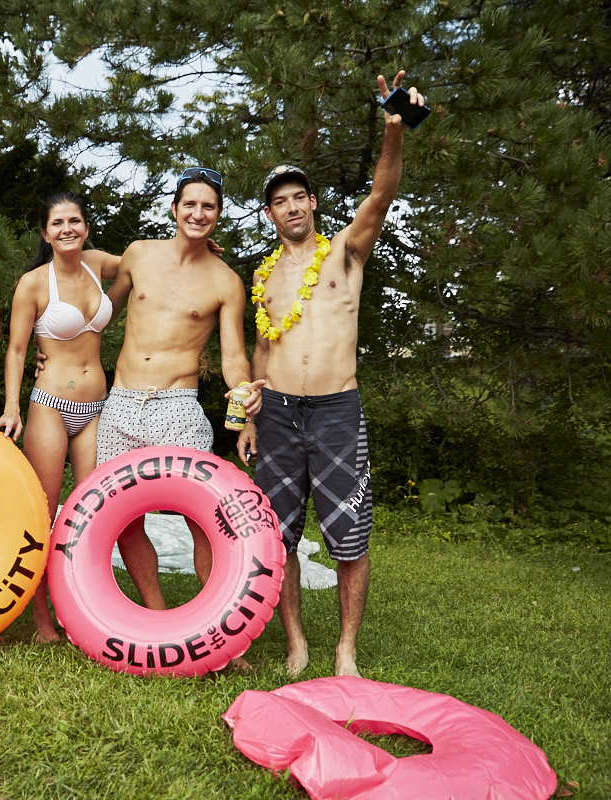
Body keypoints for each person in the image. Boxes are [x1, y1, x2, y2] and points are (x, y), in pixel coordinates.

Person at [239, 71, 427, 678]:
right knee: (280, 531)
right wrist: (250, 413)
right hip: (279, 414)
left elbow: (382, 190)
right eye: (279, 201)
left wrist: (393, 131)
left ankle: (347, 648)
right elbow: (263, 348)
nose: (291, 207)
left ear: (313, 203)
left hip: (337, 410)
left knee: (350, 532)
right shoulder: (265, 277)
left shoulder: (345, 251)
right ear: (270, 214)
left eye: (300, 197)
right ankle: (297, 642)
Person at [99, 168, 264, 618]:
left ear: (218, 215)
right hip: (121, 403)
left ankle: (217, 622)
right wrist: (53, 350)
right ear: (174, 209)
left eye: (207, 206)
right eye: (189, 204)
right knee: (122, 518)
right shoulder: (138, 254)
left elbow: (232, 355)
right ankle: (158, 615)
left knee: (203, 517)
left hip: (178, 407)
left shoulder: (226, 281)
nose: (197, 213)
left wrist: (244, 394)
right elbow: (101, 314)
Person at [0, 192, 121, 641]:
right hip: (50, 406)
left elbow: (149, 263)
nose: (68, 229)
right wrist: (11, 407)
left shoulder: (99, 265)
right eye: (58, 223)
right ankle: (41, 617)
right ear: (46, 233)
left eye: (76, 221)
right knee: (42, 513)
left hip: (97, 407)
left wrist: (197, 247)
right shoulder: (34, 284)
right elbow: (18, 350)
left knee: (92, 512)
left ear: (86, 227)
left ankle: (83, 605)